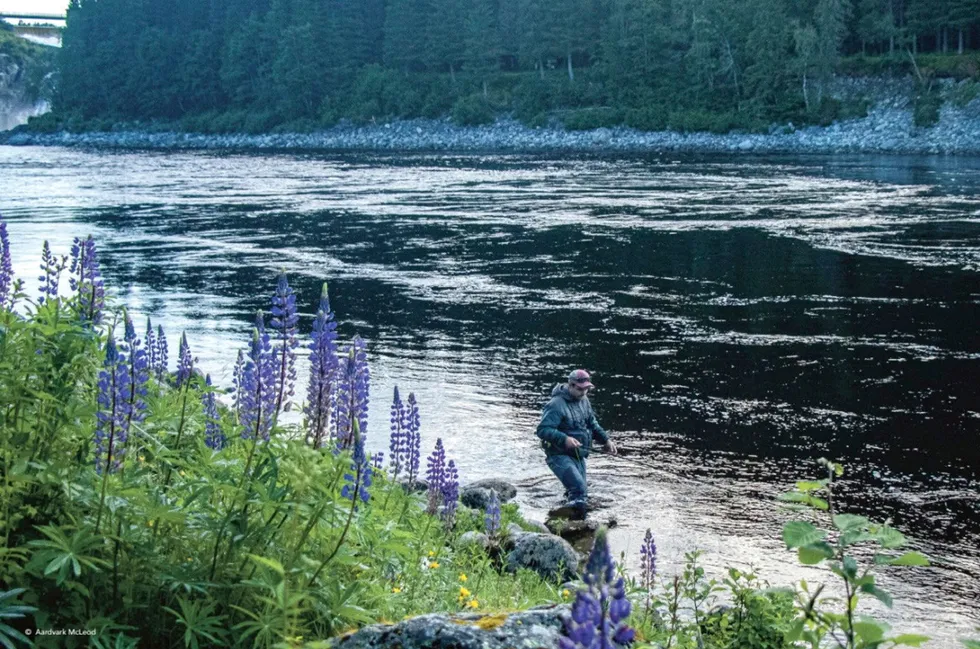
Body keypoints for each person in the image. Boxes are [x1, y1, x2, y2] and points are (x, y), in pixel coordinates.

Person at [536, 369, 618, 520]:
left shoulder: (584, 401)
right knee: (579, 489)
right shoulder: (556, 404)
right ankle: (576, 526)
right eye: (580, 389)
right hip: (558, 455)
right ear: (571, 385)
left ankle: (571, 522)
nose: (584, 392)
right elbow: (542, 430)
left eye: (587, 389)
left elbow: (592, 424)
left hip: (578, 454)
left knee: (579, 492)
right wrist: (564, 438)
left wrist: (606, 440)